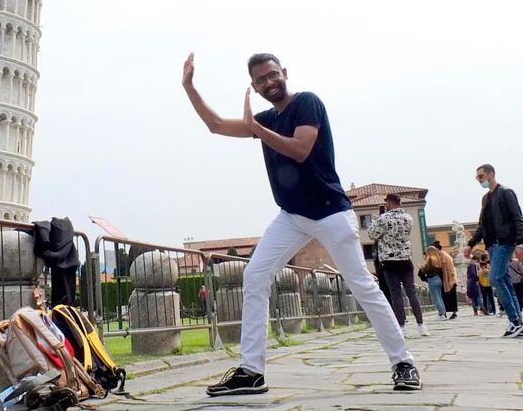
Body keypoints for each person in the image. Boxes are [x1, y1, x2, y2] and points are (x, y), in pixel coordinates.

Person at [183, 53, 421, 394]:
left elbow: (300, 150)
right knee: (254, 275)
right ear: (254, 86)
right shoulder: (264, 119)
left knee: (361, 286)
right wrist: (189, 86)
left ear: (285, 73)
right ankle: (252, 371)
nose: (269, 82)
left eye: (273, 74)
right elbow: (217, 125)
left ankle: (403, 362)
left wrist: (256, 129)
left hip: (331, 212)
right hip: (292, 216)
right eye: (261, 80)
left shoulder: (308, 103)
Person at [463, 164, 523, 339]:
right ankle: (518, 324)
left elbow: (517, 217)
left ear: (491, 174)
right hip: (491, 245)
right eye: (477, 177)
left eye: (481, 176)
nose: (479, 180)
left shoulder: (506, 192)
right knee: (504, 280)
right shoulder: (485, 199)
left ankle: (514, 320)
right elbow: (482, 226)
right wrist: (471, 243)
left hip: (505, 242)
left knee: (495, 278)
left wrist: (519, 242)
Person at [367, 193, 428, 336]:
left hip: (388, 260)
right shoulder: (408, 218)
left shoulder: (383, 219)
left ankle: (401, 327)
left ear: (389, 202)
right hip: (405, 258)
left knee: (396, 294)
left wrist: (376, 220)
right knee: (412, 292)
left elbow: (371, 234)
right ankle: (421, 325)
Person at [433, 241, 459, 320]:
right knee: (444, 297)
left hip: (449, 280)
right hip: (444, 280)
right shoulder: (439, 257)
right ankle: (444, 312)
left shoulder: (446, 257)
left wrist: (451, 280)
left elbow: (451, 270)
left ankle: (454, 313)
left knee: (451, 297)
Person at [419, 246, 446, 319]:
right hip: (438, 279)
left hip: (432, 280)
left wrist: (421, 268)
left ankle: (441, 314)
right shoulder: (438, 260)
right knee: (440, 297)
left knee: (436, 298)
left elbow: (425, 270)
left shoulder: (430, 260)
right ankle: (444, 312)